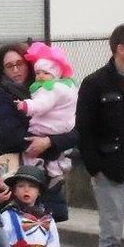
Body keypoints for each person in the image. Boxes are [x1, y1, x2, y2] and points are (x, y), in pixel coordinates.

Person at [0, 42, 77, 221]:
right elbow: (9, 135)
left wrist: (49, 142)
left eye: (19, 63)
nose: (15, 70)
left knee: (46, 234)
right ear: (2, 70)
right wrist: (37, 141)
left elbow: (75, 132)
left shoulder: (52, 89)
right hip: (15, 174)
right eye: (9, 66)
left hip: (47, 174)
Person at [76, 23, 124, 247]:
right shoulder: (96, 83)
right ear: (120, 49)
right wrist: (95, 168)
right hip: (111, 169)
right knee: (111, 234)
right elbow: (84, 129)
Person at [17, 42, 78, 182]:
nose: (40, 76)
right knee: (55, 158)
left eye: (20, 64)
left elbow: (41, 104)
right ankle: (55, 170)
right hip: (59, 130)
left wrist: (25, 105)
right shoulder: (66, 87)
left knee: (34, 157)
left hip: (46, 130)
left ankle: (50, 171)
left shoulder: (50, 89)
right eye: (38, 73)